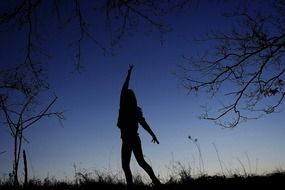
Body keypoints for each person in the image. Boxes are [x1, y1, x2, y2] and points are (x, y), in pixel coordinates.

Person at [117, 65, 161, 187]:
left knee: (126, 166)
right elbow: (144, 124)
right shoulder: (134, 110)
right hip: (134, 139)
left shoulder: (124, 108)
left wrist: (129, 75)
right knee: (140, 163)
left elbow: (123, 88)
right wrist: (153, 134)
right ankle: (156, 182)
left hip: (128, 140)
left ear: (126, 98)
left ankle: (133, 186)